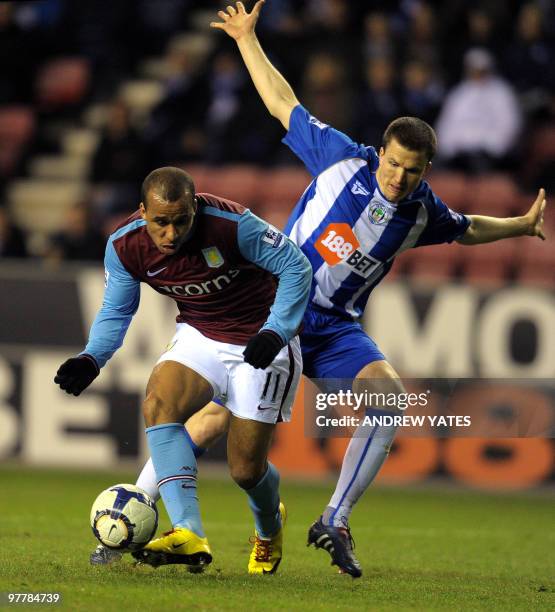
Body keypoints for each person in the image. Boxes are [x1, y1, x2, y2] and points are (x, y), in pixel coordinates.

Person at [99, 0, 547, 579]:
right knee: (209, 424)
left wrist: (519, 224)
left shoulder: (421, 211)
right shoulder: (339, 158)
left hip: (335, 330)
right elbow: (283, 102)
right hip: (272, 309)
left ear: (426, 169)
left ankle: (333, 518)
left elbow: (466, 229)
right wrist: (245, 40)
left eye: (412, 171)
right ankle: (134, 515)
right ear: (380, 151)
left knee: (389, 402)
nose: (397, 178)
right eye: (392, 164)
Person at [54, 166, 312, 575]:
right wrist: (92, 357)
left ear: (195, 207)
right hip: (201, 335)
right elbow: (117, 309)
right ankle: (188, 531)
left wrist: (277, 330)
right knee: (159, 402)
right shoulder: (125, 245)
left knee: (246, 471)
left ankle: (268, 529)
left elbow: (296, 267)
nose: (171, 234)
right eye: (161, 222)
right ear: (142, 213)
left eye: (180, 221)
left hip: (260, 342)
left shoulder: (234, 226)